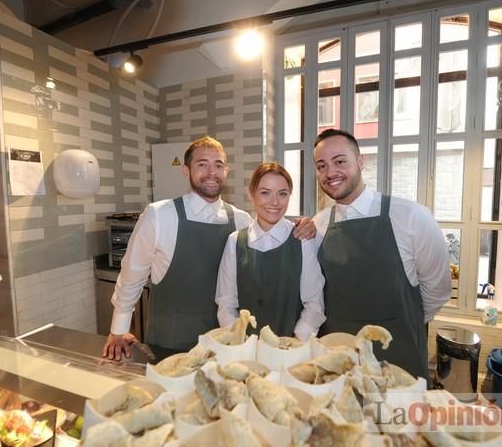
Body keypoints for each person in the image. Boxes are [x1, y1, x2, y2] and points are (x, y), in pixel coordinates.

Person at [103, 136, 315, 360]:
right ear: (186, 171)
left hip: (225, 343)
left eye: (218, 165)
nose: (211, 172)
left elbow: (272, 234)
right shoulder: (159, 215)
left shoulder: (241, 221)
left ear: (227, 171)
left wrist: (304, 225)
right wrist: (118, 329)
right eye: (202, 164)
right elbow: (132, 274)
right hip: (171, 339)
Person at [312, 129, 451, 380]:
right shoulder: (318, 226)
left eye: (340, 161)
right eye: (321, 165)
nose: (330, 172)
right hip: (340, 362)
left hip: (399, 359)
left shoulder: (411, 216)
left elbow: (437, 291)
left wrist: (401, 324)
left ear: (361, 161)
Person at [216, 162, 326, 341]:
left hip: (292, 346)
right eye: (265, 193)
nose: (274, 202)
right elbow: (226, 302)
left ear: (290, 195)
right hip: (245, 347)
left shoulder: (302, 240)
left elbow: (314, 304)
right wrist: (238, 340)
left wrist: (295, 341)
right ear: (251, 195)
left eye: (282, 194)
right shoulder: (235, 241)